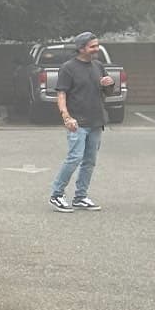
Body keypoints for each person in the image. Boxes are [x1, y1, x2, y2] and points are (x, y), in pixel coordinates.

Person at [49, 32, 110, 212]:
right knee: (74, 158)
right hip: (77, 122)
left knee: (89, 161)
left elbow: (107, 91)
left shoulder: (98, 66)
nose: (96, 49)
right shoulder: (68, 68)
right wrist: (66, 116)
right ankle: (57, 194)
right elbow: (61, 94)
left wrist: (108, 84)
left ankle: (80, 197)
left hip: (96, 122)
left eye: (97, 45)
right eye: (92, 46)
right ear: (81, 48)